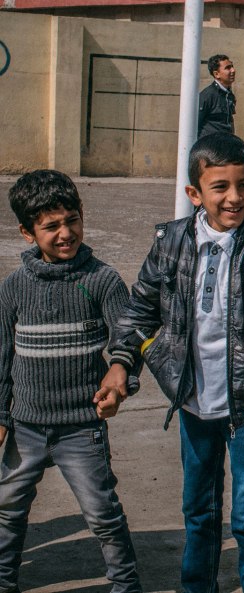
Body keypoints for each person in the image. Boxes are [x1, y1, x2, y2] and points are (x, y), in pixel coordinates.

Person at [105, 133, 244, 593]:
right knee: (199, 510)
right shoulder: (170, 241)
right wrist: (120, 362)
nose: (235, 197)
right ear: (195, 193)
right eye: (221, 187)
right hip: (191, 401)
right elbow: (138, 311)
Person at [0, 170, 141, 593]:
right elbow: (2, 357)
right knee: (7, 510)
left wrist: (120, 378)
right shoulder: (14, 288)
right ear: (27, 233)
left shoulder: (102, 280)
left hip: (82, 426)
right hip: (25, 427)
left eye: (72, 220)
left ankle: (125, 584)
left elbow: (128, 338)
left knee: (101, 512)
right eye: (51, 226)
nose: (66, 233)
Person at [196, 53, 236, 140]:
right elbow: (195, 123)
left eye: (232, 66)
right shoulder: (207, 95)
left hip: (225, 145)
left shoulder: (230, 95)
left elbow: (230, 121)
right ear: (216, 74)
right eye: (228, 68)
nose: (233, 70)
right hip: (209, 147)